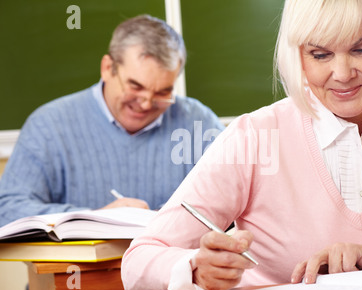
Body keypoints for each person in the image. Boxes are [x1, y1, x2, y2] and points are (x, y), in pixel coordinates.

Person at [121, 0, 362, 290]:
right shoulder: (254, 136)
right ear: (299, 57)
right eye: (320, 54)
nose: (342, 73)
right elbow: (138, 261)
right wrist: (195, 266)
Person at [0, 15, 224, 226]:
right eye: (135, 86)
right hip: (74, 267)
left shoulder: (199, 123)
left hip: (177, 267)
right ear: (107, 68)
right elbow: (8, 209)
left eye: (163, 92)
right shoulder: (48, 126)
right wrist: (94, 219)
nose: (146, 103)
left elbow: (234, 200)